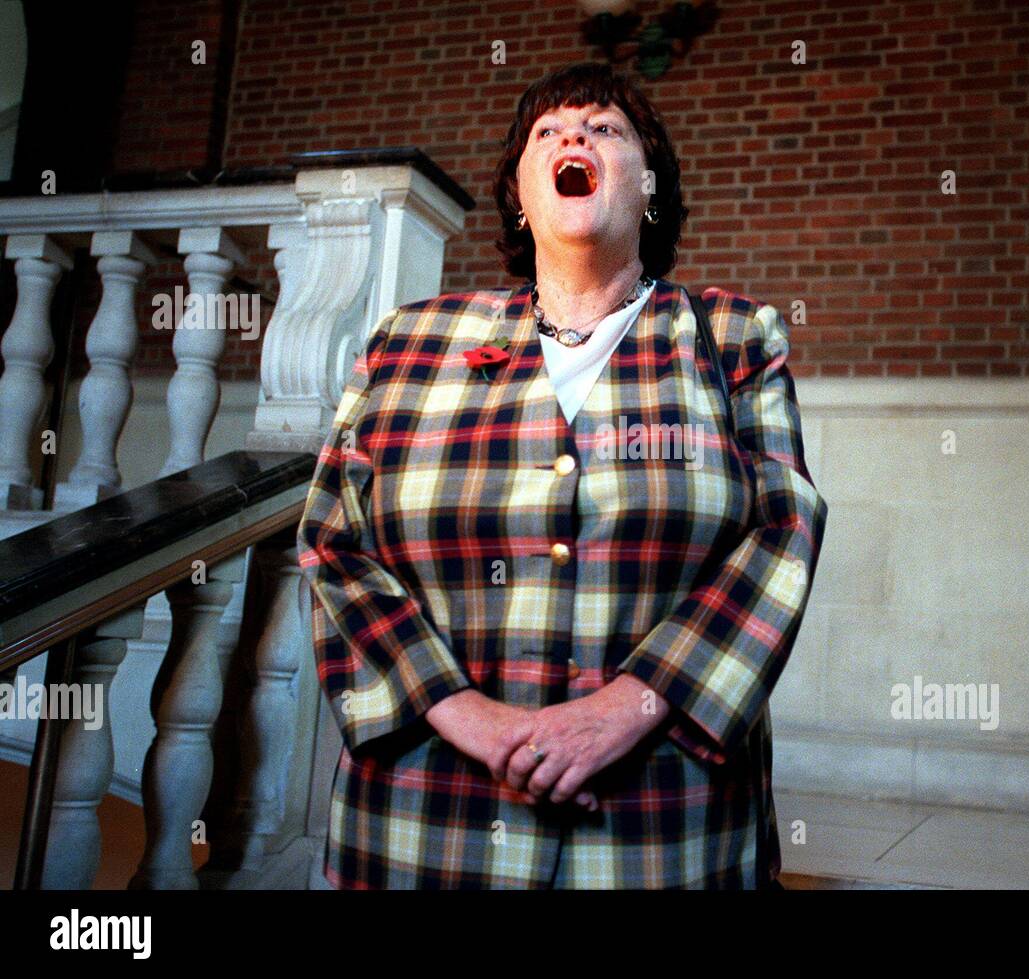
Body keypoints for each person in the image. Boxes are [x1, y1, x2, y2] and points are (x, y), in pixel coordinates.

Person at [297, 61, 828, 889]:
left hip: (660, 829)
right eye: (547, 132)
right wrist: (462, 712)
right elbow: (333, 540)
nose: (574, 136)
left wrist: (629, 707)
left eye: (605, 129)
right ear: (520, 192)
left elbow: (782, 530)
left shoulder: (730, 336)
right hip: (426, 816)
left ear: (648, 188)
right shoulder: (409, 342)